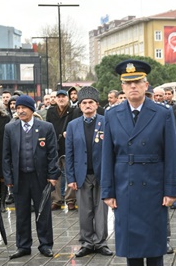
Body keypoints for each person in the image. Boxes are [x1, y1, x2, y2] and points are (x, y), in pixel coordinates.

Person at [101, 60, 176, 265]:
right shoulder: (111, 114)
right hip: (125, 188)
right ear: (122, 87)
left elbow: (171, 154)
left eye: (138, 82)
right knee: (132, 252)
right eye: (128, 83)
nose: (133, 86)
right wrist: (107, 191)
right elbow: (107, 155)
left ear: (146, 85)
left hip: (153, 188)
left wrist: (171, 190)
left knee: (154, 251)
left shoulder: (163, 113)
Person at [3, 95, 60, 258]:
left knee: (43, 212)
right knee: (21, 213)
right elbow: (6, 155)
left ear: (32, 109)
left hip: (40, 177)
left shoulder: (46, 127)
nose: (20, 111)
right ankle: (23, 245)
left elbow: (52, 153)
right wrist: (8, 178)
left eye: (24, 108)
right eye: (18, 108)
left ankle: (46, 244)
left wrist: (52, 175)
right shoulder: (10, 128)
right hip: (19, 177)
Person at [65, 87, 113, 257]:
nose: (87, 105)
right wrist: (70, 177)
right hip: (81, 174)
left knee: (101, 210)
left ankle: (100, 242)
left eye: (90, 102)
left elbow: (111, 150)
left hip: (102, 173)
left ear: (97, 104)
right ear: (79, 106)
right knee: (84, 210)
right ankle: (86, 242)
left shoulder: (106, 122)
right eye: (84, 103)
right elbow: (69, 153)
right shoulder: (72, 125)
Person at [45, 89, 78, 210]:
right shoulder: (51, 111)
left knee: (70, 172)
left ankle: (70, 199)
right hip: (54, 145)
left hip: (68, 145)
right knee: (55, 172)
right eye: (58, 97)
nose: (61, 99)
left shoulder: (74, 111)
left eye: (63, 96)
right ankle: (56, 199)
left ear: (67, 98)